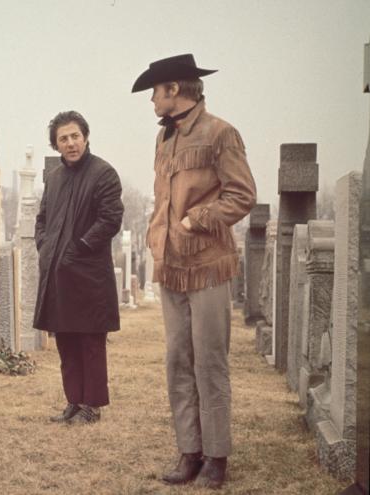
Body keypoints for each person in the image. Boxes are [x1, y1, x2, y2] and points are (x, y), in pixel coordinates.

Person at [131, 54, 256, 489]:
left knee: (210, 364)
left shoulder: (221, 133)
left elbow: (242, 196)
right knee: (177, 361)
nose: (151, 99)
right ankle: (189, 452)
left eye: (155, 91)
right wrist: (156, 234)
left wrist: (194, 220)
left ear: (175, 90)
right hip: (171, 268)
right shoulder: (164, 139)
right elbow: (162, 199)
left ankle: (216, 457)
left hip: (206, 266)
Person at [34, 111, 124, 424]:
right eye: (63, 138)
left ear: (85, 136)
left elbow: (110, 219)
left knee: (90, 341)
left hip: (89, 273)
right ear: (56, 145)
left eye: (75, 136)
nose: (71, 143)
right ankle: (73, 401)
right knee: (66, 340)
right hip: (58, 274)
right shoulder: (55, 177)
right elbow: (42, 219)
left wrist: (80, 248)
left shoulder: (103, 173)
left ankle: (92, 405)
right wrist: (45, 248)